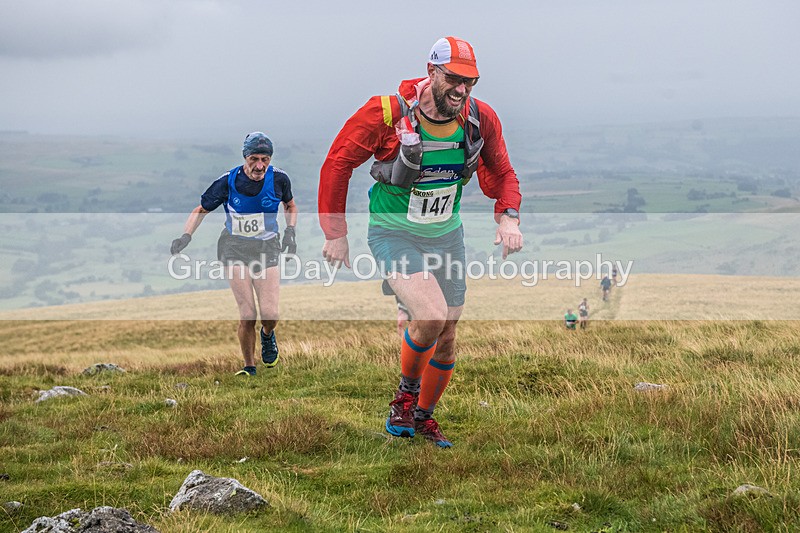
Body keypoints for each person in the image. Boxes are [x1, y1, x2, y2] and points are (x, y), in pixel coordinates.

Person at [318, 37, 523, 447]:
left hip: (447, 234)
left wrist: (508, 216)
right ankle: (404, 399)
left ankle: (424, 419)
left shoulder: (479, 118)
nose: (462, 90)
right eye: (454, 79)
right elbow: (337, 163)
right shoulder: (386, 113)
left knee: (447, 333)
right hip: (393, 232)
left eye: (471, 82)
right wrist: (335, 234)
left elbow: (502, 171)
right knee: (430, 315)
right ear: (431, 72)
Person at [170, 132, 298, 376]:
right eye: (254, 159)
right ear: (244, 157)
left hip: (267, 247)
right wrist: (186, 236)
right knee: (248, 313)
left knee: (270, 314)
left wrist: (290, 230)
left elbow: (290, 205)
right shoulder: (227, 182)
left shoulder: (280, 179)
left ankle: (268, 334)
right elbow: (201, 209)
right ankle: (249, 367)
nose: (259, 165)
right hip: (234, 247)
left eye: (265, 159)